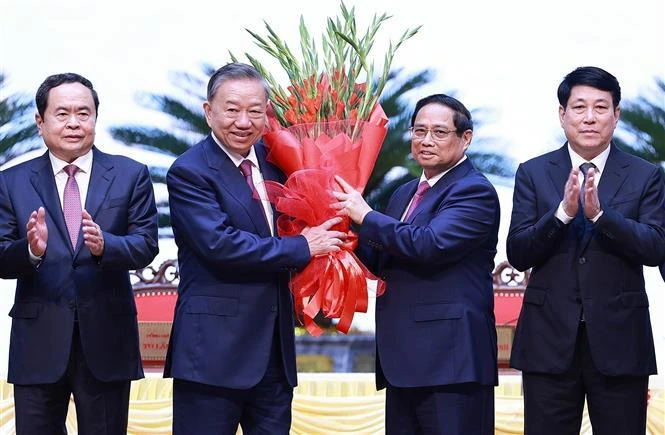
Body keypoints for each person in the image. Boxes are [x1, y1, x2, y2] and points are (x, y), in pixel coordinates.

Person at [164, 62, 345, 434]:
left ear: (267, 113)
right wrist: (302, 246)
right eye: (232, 109)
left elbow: (300, 216)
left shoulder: (277, 162)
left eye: (255, 111)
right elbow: (220, 245)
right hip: (213, 357)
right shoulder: (189, 171)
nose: (243, 121)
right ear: (208, 111)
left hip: (274, 358)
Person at [507, 66, 665, 434]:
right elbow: (518, 252)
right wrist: (562, 213)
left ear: (616, 114)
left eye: (600, 107)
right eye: (579, 107)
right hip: (548, 341)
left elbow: (656, 248)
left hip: (620, 339)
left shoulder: (645, 175)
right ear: (563, 114)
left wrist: (601, 217)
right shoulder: (533, 172)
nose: (590, 117)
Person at [0, 73, 159, 434]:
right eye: (62, 113)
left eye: (83, 113)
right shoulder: (11, 182)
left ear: (95, 118)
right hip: (38, 343)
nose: (74, 122)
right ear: (40, 121)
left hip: (107, 338)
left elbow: (147, 243)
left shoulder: (129, 175)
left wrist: (108, 246)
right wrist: (31, 251)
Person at [334, 94, 499, 434]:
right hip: (402, 361)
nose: (426, 140)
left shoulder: (474, 191)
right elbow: (381, 256)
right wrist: (339, 232)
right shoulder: (404, 193)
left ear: (465, 138)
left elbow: (429, 244)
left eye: (439, 132)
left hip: (450, 363)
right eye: (419, 130)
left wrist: (365, 216)